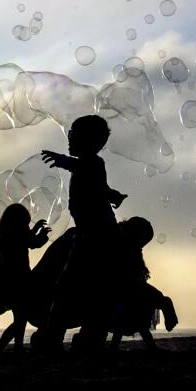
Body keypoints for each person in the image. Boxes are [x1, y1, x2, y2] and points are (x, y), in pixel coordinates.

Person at [37, 114, 127, 353]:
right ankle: (85, 338)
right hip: (95, 234)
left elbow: (82, 167)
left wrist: (63, 160)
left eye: (74, 133)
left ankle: (54, 338)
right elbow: (100, 187)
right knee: (91, 288)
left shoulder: (92, 163)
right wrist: (113, 195)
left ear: (90, 141)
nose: (69, 137)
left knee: (69, 287)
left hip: (97, 236)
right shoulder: (91, 167)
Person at [0, 203, 49, 353]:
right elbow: (32, 243)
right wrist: (43, 235)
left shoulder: (6, 232)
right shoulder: (18, 233)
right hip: (19, 279)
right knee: (21, 316)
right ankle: (1, 348)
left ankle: (16, 347)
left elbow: (25, 240)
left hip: (4, 279)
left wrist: (35, 230)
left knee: (20, 316)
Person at [109, 216, 178, 351]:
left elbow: (137, 269)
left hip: (125, 287)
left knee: (132, 317)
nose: (142, 245)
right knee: (137, 313)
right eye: (143, 241)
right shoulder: (121, 244)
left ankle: (116, 347)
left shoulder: (131, 246)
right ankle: (166, 306)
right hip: (121, 286)